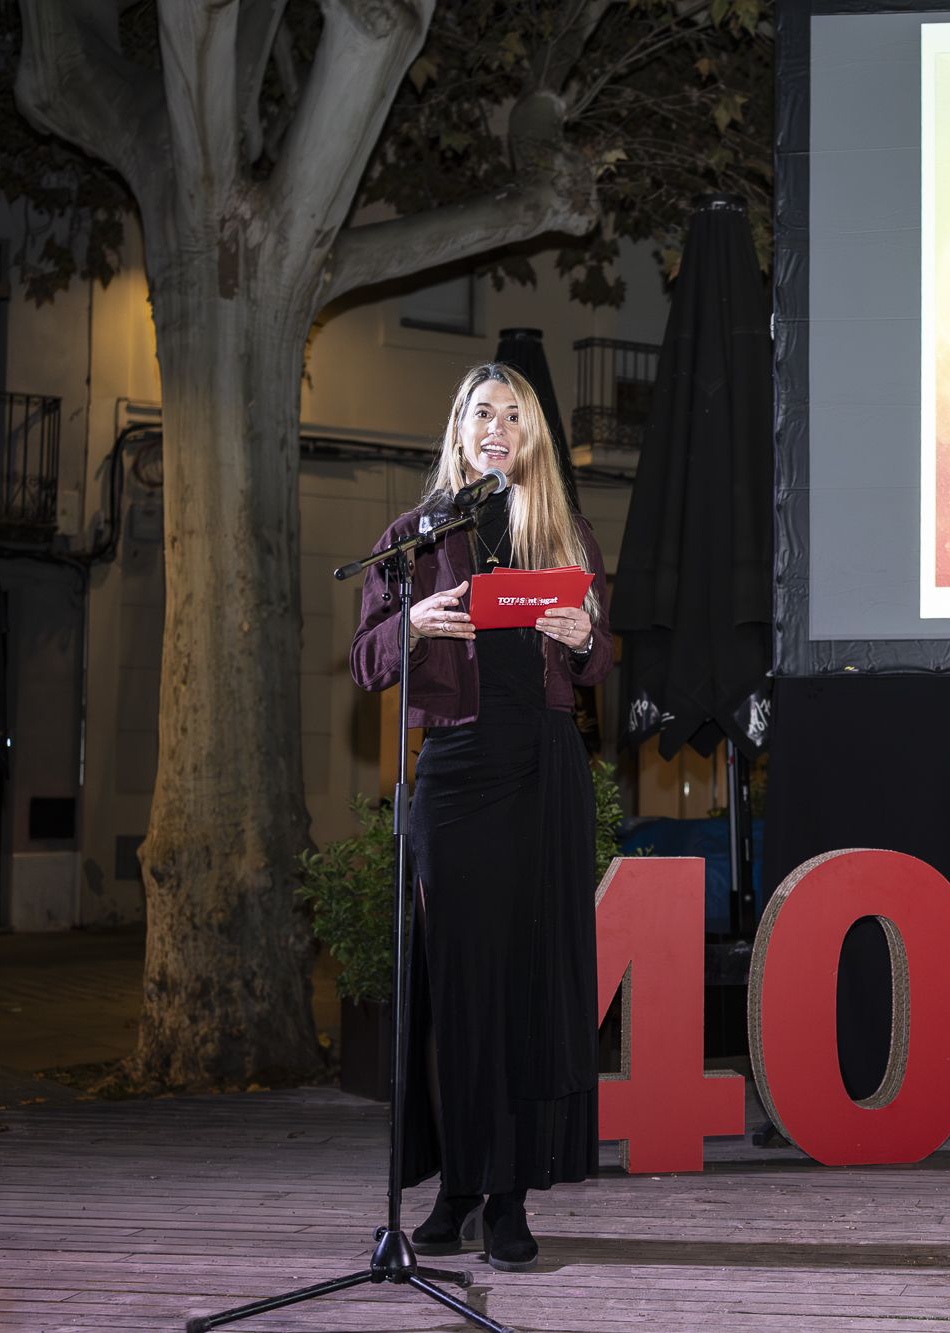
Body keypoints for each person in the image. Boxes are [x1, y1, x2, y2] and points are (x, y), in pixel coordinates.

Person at [348, 363, 611, 1271]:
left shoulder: (562, 530)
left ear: (530, 434)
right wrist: (412, 621)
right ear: (457, 429)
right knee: (459, 990)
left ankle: (508, 1198)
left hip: (542, 768)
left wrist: (584, 642)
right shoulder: (415, 536)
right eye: (480, 413)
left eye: (512, 414)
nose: (496, 426)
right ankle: (458, 1181)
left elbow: (598, 657)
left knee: (525, 985)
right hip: (454, 778)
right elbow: (365, 658)